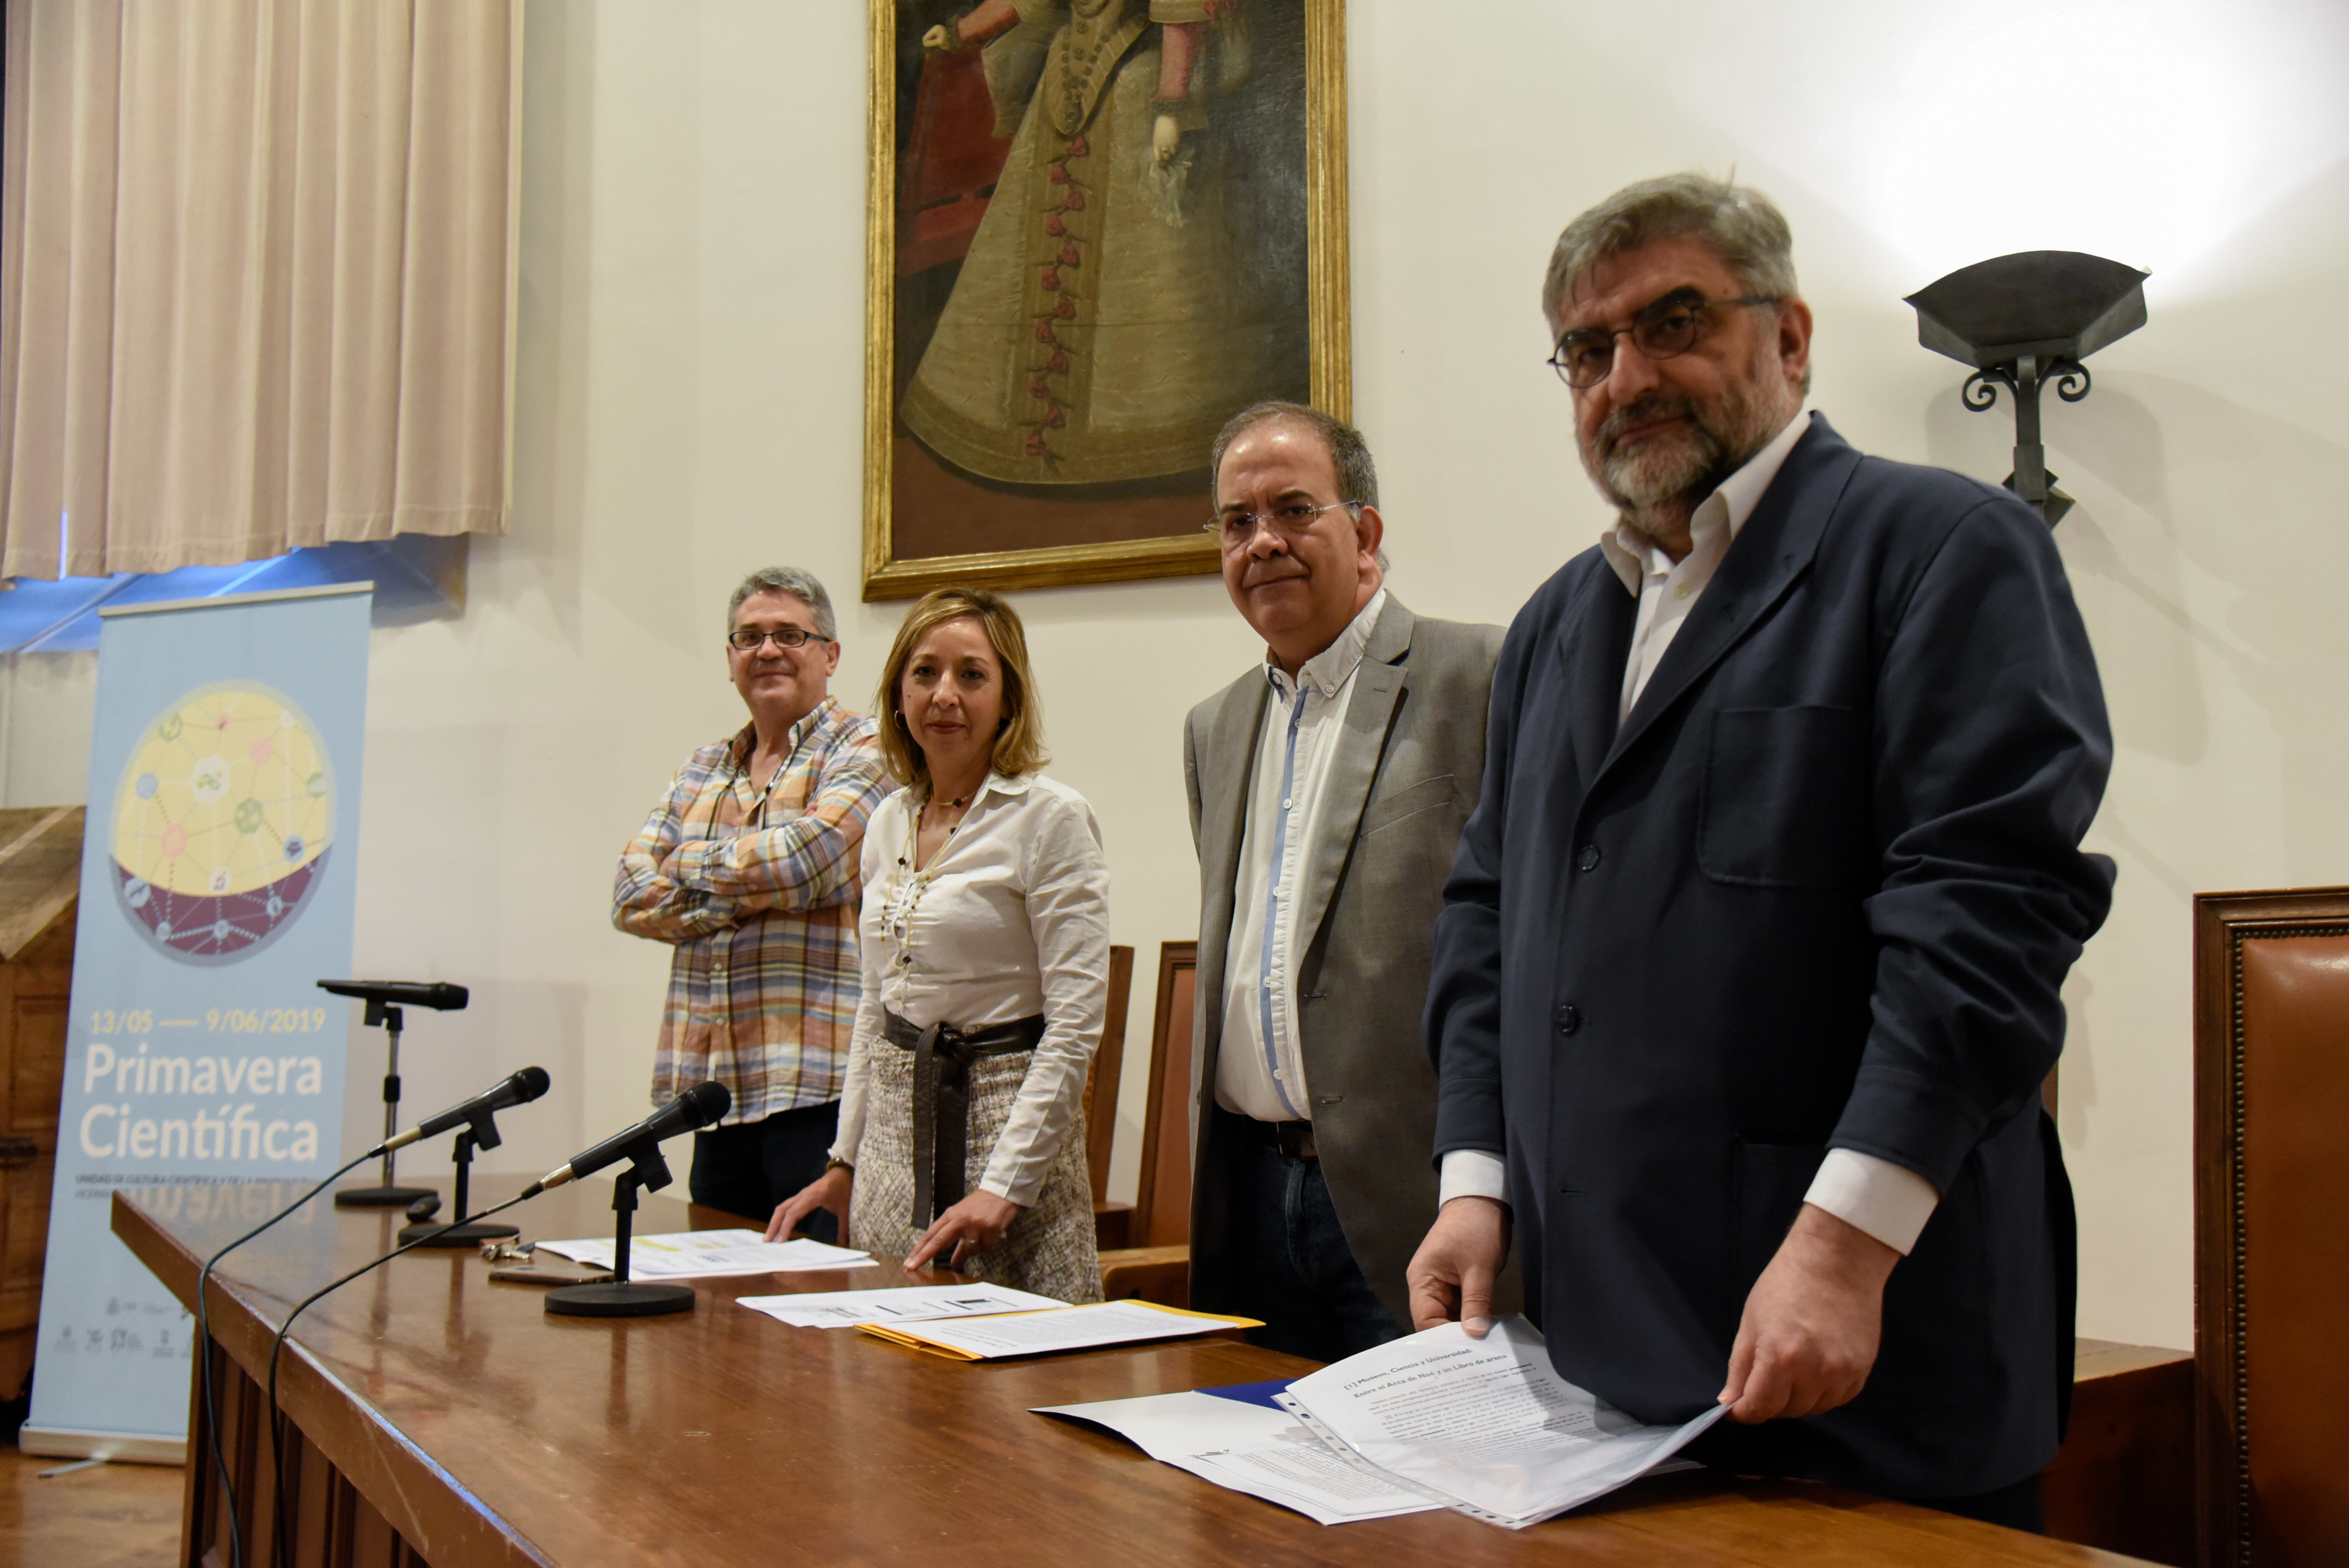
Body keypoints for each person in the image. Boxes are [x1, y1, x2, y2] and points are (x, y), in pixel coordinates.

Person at [1407, 174, 2114, 1529]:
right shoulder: (1558, 624)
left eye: (1673, 321)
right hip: (1594, 1381)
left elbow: (1986, 923)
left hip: (1859, 1361)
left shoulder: (1946, 549)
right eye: (1587, 349)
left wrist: (1846, 1241)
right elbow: (1488, 915)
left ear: (1788, 338)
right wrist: (1474, 1181)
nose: (1628, 375)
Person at [1184, 401, 1504, 1362]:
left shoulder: (1479, 675)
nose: (1263, 542)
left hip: (1411, 1196)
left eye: (1292, 510)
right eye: (1238, 523)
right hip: (1247, 1194)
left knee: (1427, 1501)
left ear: (1364, 531)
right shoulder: (1213, 726)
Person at [768, 587, 1108, 1303]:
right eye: (924, 673)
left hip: (1006, 1124)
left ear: (1008, 697)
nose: (944, 695)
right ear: (897, 693)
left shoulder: (1051, 817)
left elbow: (1076, 1024)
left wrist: (1005, 1186)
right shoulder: (890, 817)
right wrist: (844, 1160)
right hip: (894, 1130)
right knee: (886, 1382)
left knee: (1014, 1388)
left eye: (972, 675)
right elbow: (874, 1004)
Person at [900, 0, 1305, 485]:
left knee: (1155, 276)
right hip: (1066, 85)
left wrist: (1171, 106)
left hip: (1145, 85)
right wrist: (957, 32)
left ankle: (1161, 432)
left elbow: (1181, 13)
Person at [614, 568, 892, 1241]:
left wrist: (690, 864)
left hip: (818, 1094)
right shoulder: (701, 767)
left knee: (814, 1316)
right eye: (749, 637)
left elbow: (811, 858)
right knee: (716, 1319)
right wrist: (746, 899)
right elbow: (628, 893)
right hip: (714, 1094)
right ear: (730, 660)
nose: (767, 650)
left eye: (789, 635)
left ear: (829, 654)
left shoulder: (869, 746)